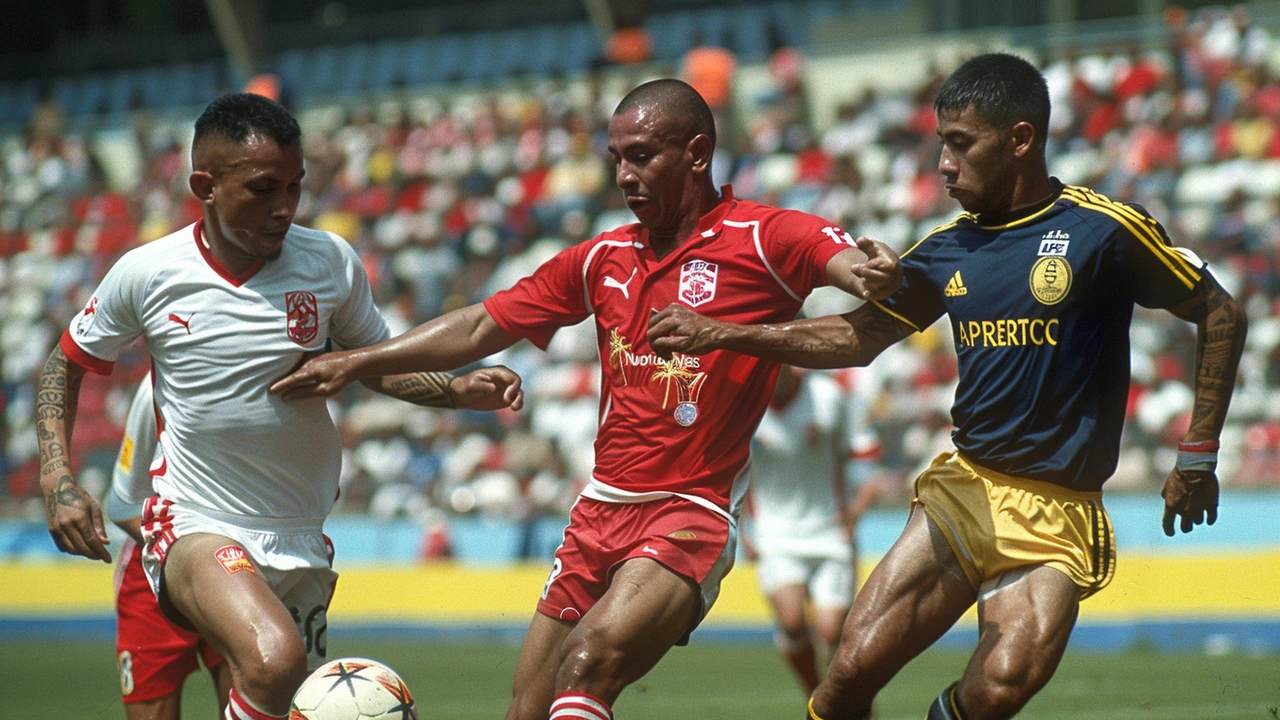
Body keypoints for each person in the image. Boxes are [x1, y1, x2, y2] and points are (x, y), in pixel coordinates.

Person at [268, 78, 903, 720]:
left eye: (643, 156)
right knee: (528, 707)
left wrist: (866, 272)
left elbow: (849, 273)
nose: (625, 175)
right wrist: (359, 359)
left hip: (690, 511)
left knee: (588, 661)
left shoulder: (763, 238)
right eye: (616, 159)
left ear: (698, 154)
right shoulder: (603, 257)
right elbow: (484, 325)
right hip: (598, 512)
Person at [646, 53, 1247, 720]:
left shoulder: (1103, 230)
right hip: (965, 493)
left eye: (961, 144)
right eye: (941, 145)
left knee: (1000, 688)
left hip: (1058, 511)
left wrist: (1198, 453)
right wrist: (726, 332)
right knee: (848, 671)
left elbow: (1220, 311)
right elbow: (857, 336)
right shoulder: (945, 251)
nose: (944, 166)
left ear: (1020, 139)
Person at [34, 92, 524, 720]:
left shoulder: (328, 263)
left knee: (282, 694)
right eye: (264, 188)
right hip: (195, 518)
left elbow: (372, 361)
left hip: (300, 535)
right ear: (204, 186)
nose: (284, 208)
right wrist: (56, 475)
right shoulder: (150, 272)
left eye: (294, 187)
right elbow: (65, 362)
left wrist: (454, 390)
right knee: (273, 658)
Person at [745, 364, 879, 697]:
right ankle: (816, 698)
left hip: (829, 530)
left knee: (832, 631)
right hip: (774, 533)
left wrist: (856, 511)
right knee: (791, 622)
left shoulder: (828, 395)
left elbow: (864, 454)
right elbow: (734, 468)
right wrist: (744, 527)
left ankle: (849, 703)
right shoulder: (745, 402)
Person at [108, 376, 233, 719]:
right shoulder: (158, 382)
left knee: (254, 703)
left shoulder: (272, 371)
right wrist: (184, 555)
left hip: (242, 561)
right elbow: (122, 503)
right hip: (153, 569)